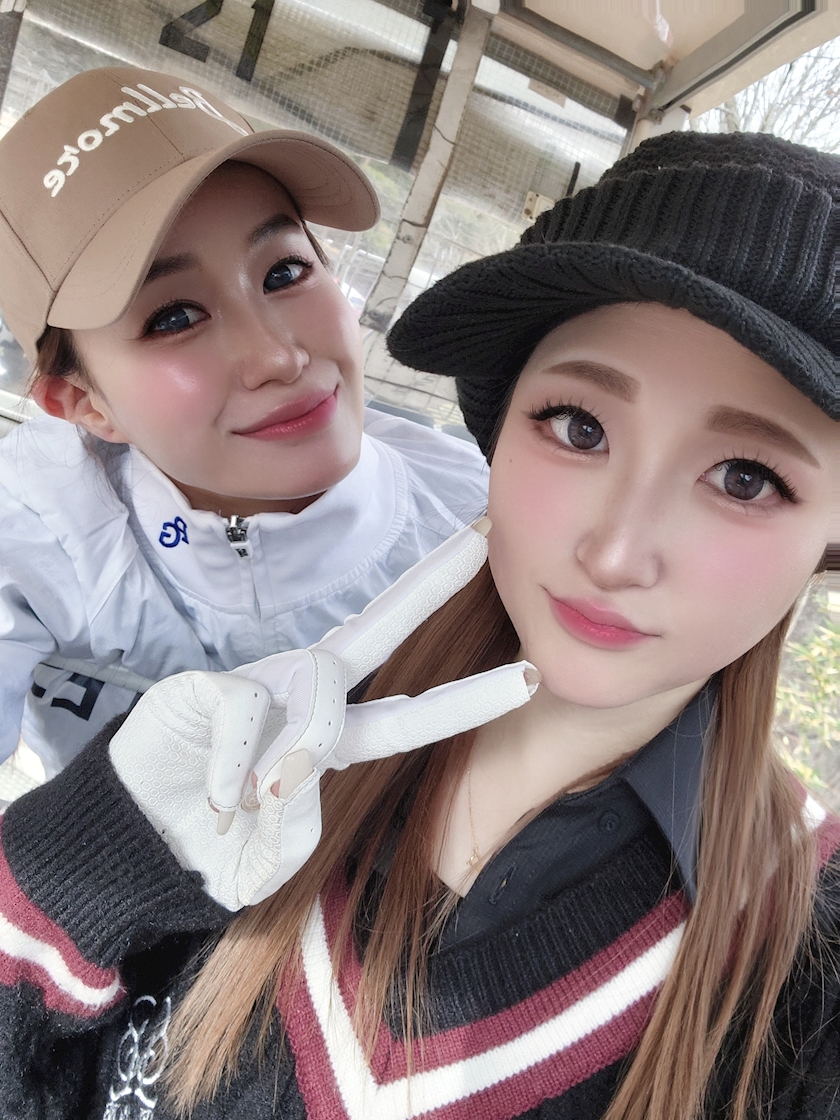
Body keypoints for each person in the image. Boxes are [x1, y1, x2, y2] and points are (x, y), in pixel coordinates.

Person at [0, 131, 837, 1120]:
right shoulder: (246, 758)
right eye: (579, 427)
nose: (616, 553)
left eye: (746, 478)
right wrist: (88, 856)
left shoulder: (806, 956)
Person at [0, 66, 487, 777]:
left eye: (284, 273)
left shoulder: (480, 523)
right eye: (174, 317)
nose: (278, 357)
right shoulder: (37, 528)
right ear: (84, 405)